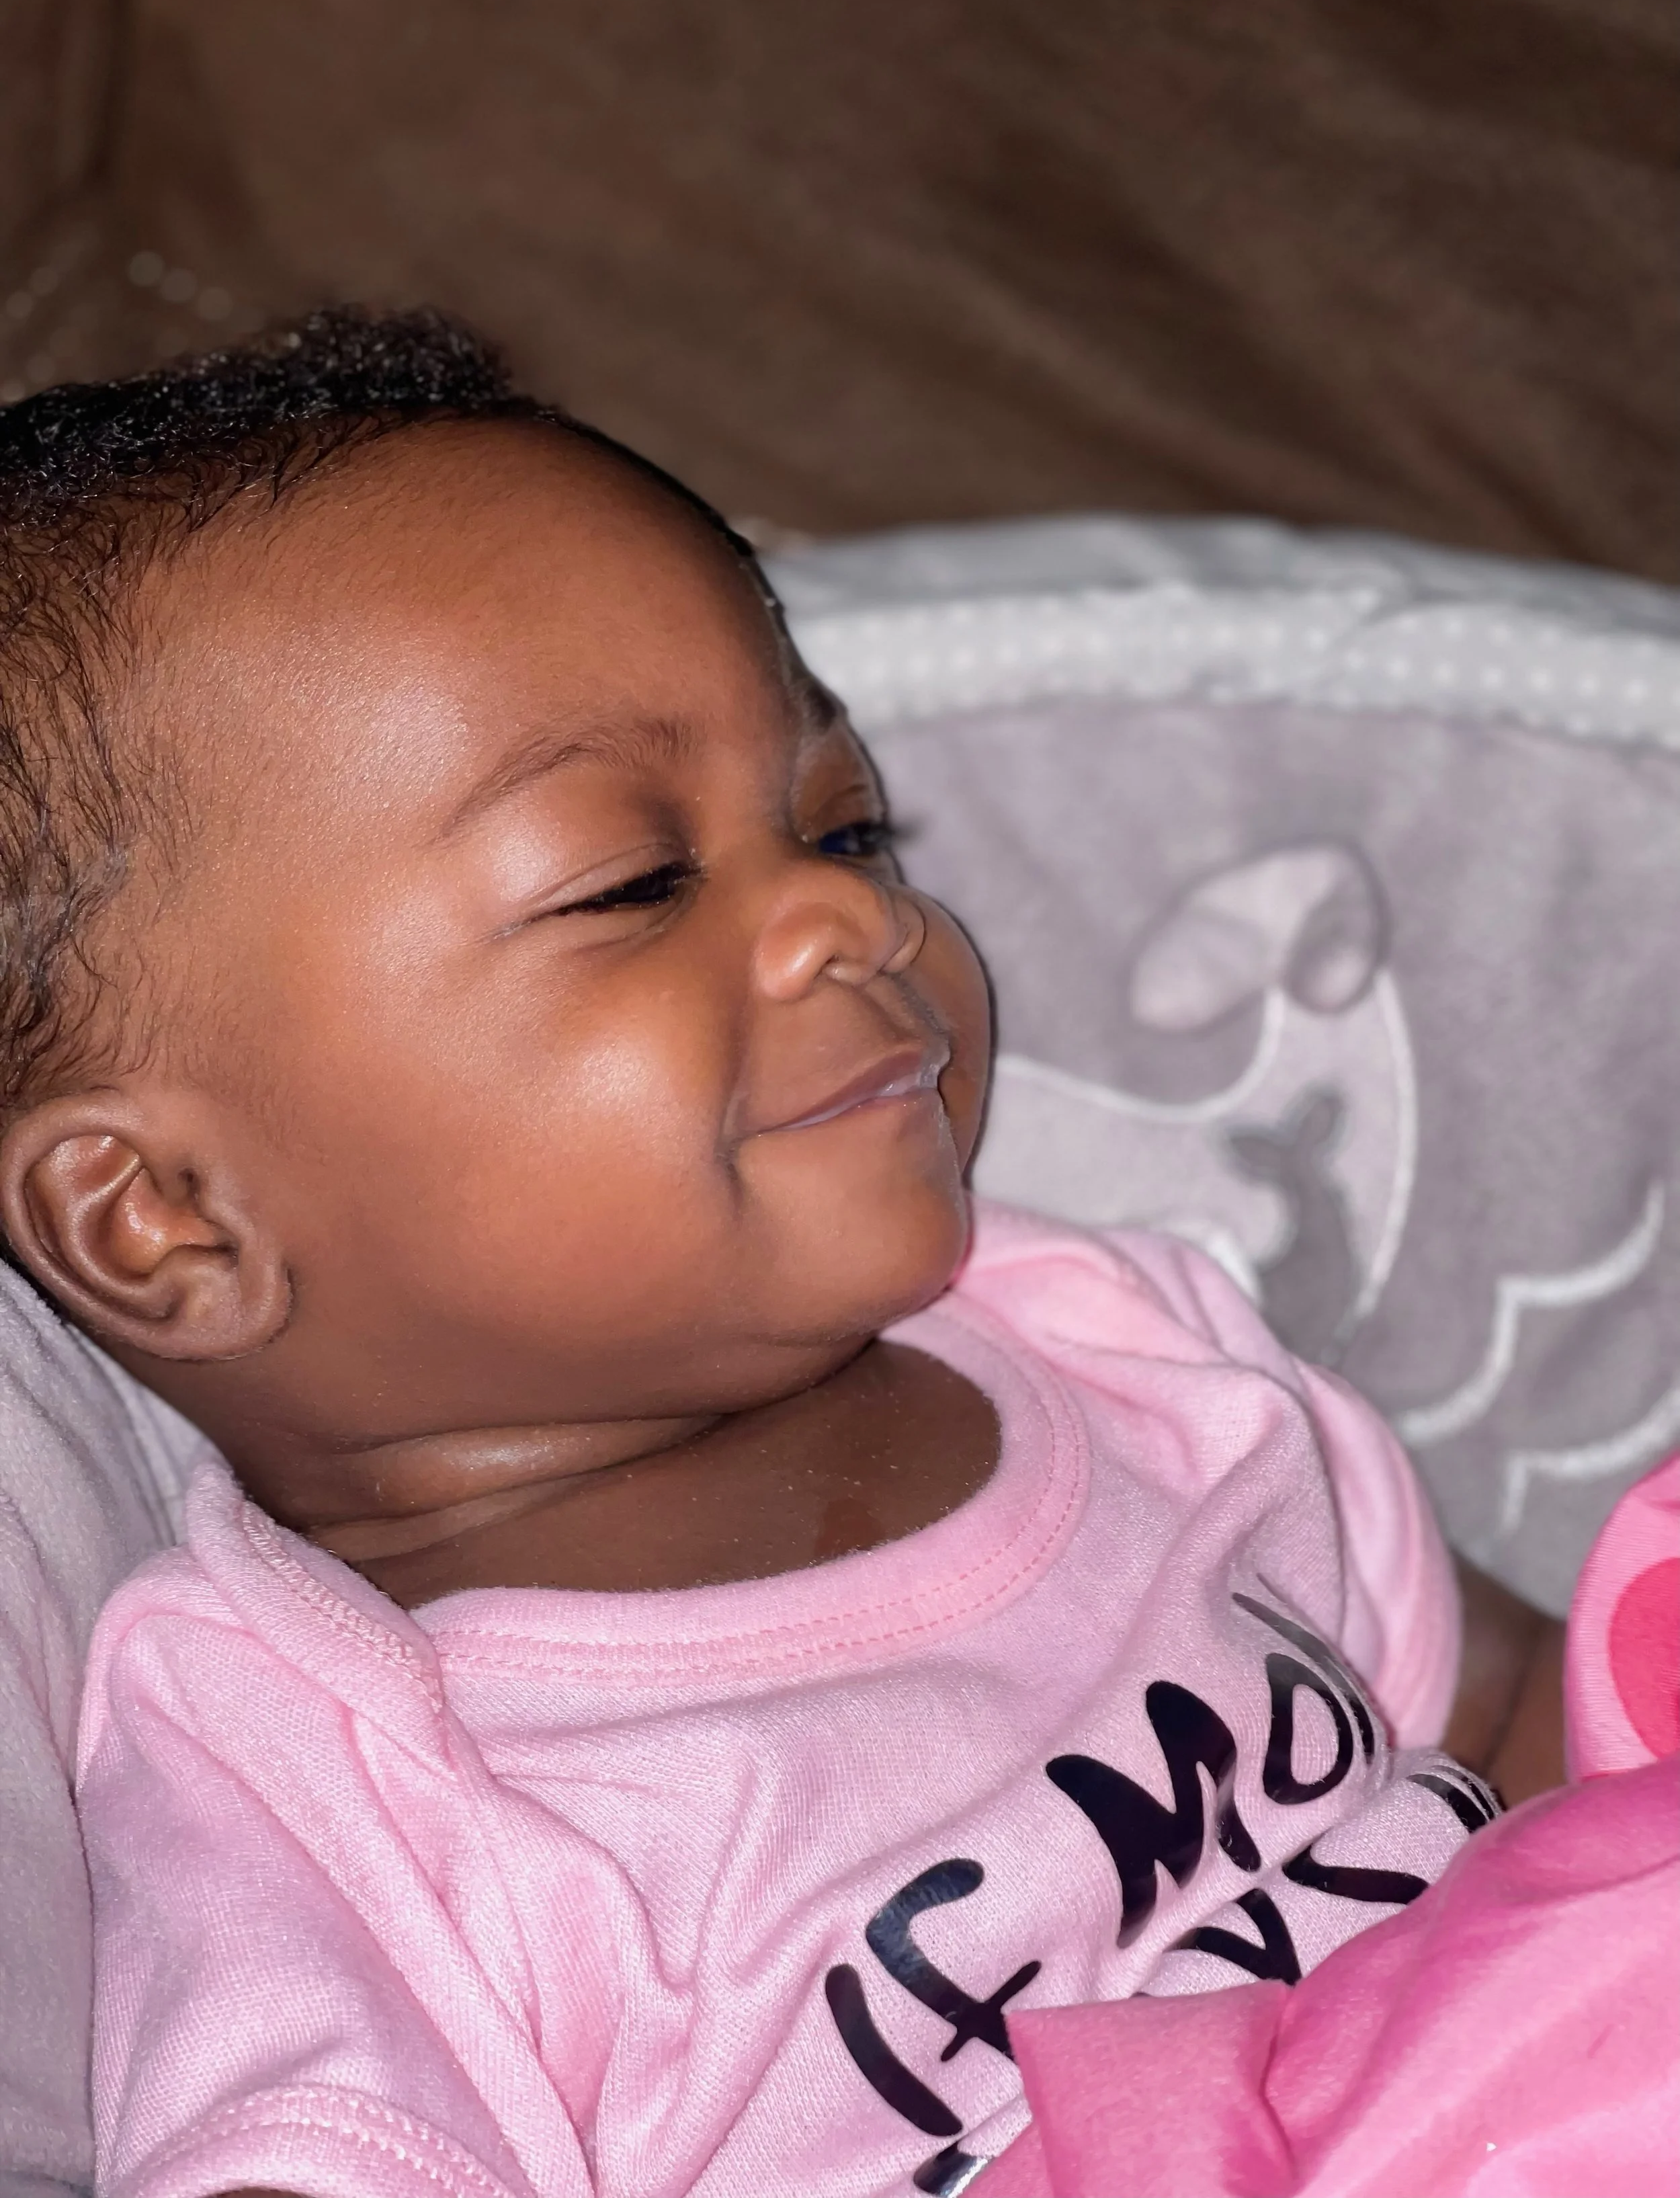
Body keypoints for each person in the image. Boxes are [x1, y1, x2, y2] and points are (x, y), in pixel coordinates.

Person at [0, 313, 1556, 2198]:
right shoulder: (325, 1767)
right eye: (631, 883)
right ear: (166, 1219)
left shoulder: (1116, 1344)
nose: (847, 912)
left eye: (845, 824)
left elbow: (1513, 1715)